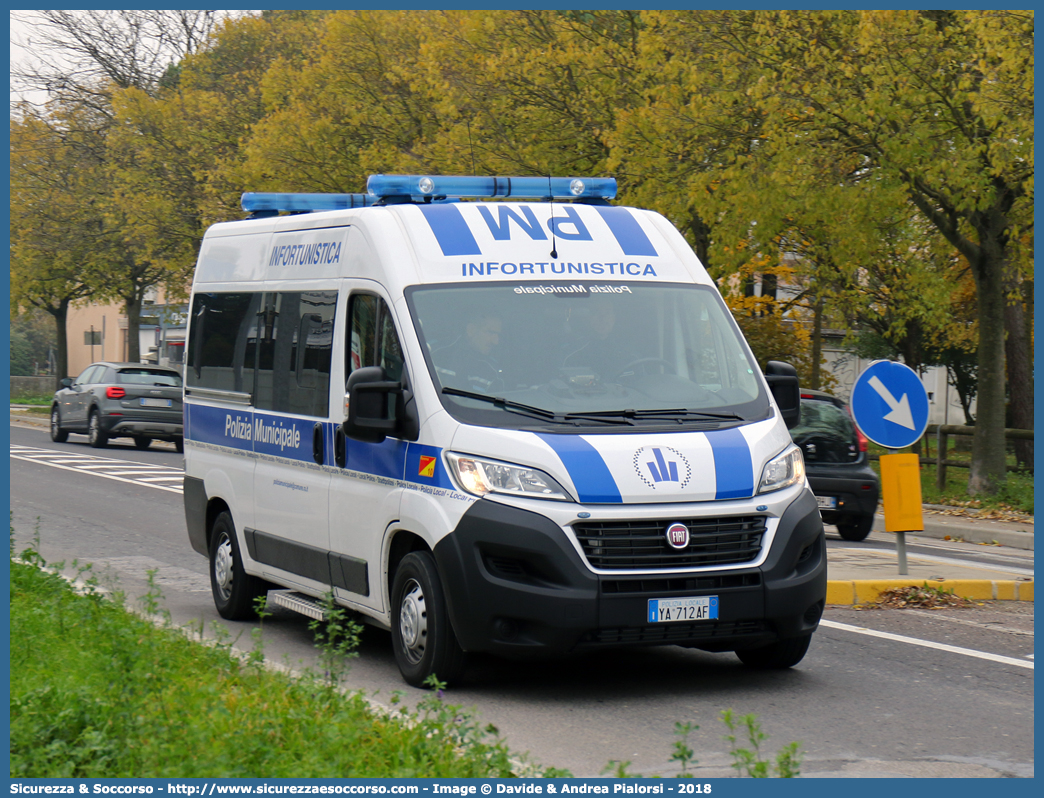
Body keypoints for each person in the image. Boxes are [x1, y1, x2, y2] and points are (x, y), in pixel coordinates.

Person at [434, 312, 504, 394]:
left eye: (498, 335)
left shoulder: (492, 370)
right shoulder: (435, 353)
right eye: (490, 332)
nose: (496, 342)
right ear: (471, 330)